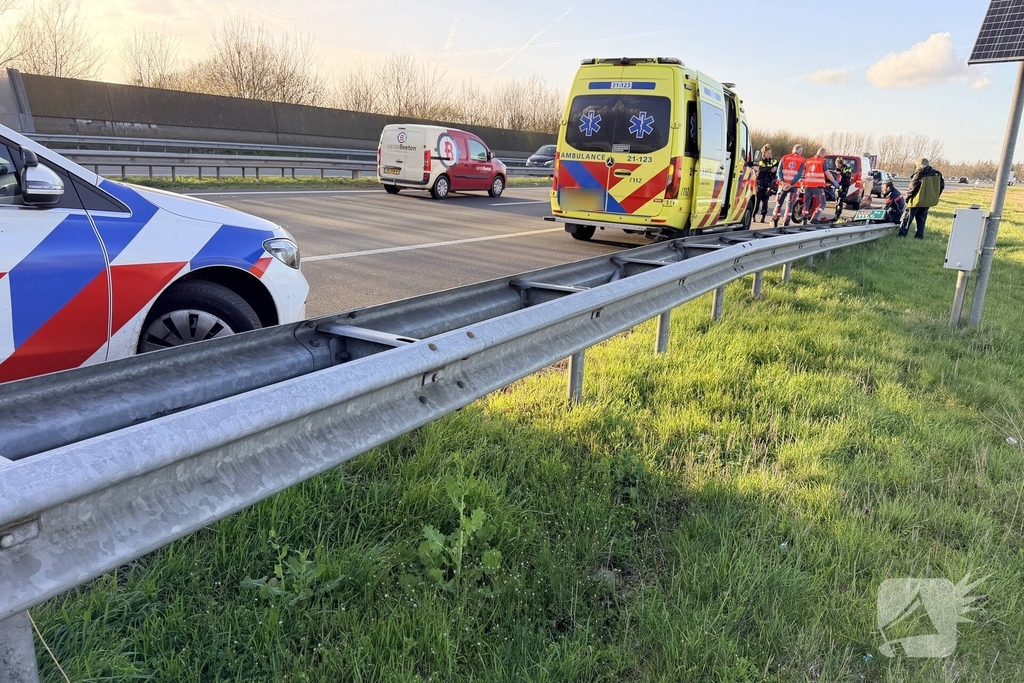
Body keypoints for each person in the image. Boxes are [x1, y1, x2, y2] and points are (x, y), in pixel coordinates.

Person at [900, 157, 945, 239]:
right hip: (927, 201)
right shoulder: (937, 174)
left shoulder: (919, 174)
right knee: (921, 220)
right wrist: (935, 196)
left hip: (916, 201)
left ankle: (902, 235)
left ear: (919, 165)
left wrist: (907, 198)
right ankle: (919, 236)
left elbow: (912, 188)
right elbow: (941, 186)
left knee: (907, 218)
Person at [772, 144, 806, 228]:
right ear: (800, 151)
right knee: (790, 204)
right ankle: (786, 223)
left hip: (782, 185)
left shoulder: (784, 158)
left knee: (779, 203)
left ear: (793, 150)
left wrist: (783, 182)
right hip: (793, 186)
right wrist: (790, 184)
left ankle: (775, 221)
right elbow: (799, 174)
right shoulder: (802, 160)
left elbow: (779, 171)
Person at [802, 147, 837, 224]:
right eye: (824, 154)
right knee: (822, 202)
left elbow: (803, 173)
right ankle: (814, 217)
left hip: (807, 185)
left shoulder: (808, 160)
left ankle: (804, 219)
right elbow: (827, 173)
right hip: (817, 186)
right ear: (822, 153)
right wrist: (834, 181)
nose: (824, 156)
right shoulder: (822, 161)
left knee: (806, 202)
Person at [753, 144, 779, 222]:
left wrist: (775, 168)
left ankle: (763, 217)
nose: (769, 155)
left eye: (770, 153)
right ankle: (753, 216)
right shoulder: (759, 161)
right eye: (767, 153)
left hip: (768, 184)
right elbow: (759, 170)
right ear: (763, 153)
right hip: (759, 183)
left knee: (765, 202)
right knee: (757, 202)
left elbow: (778, 164)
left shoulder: (772, 161)